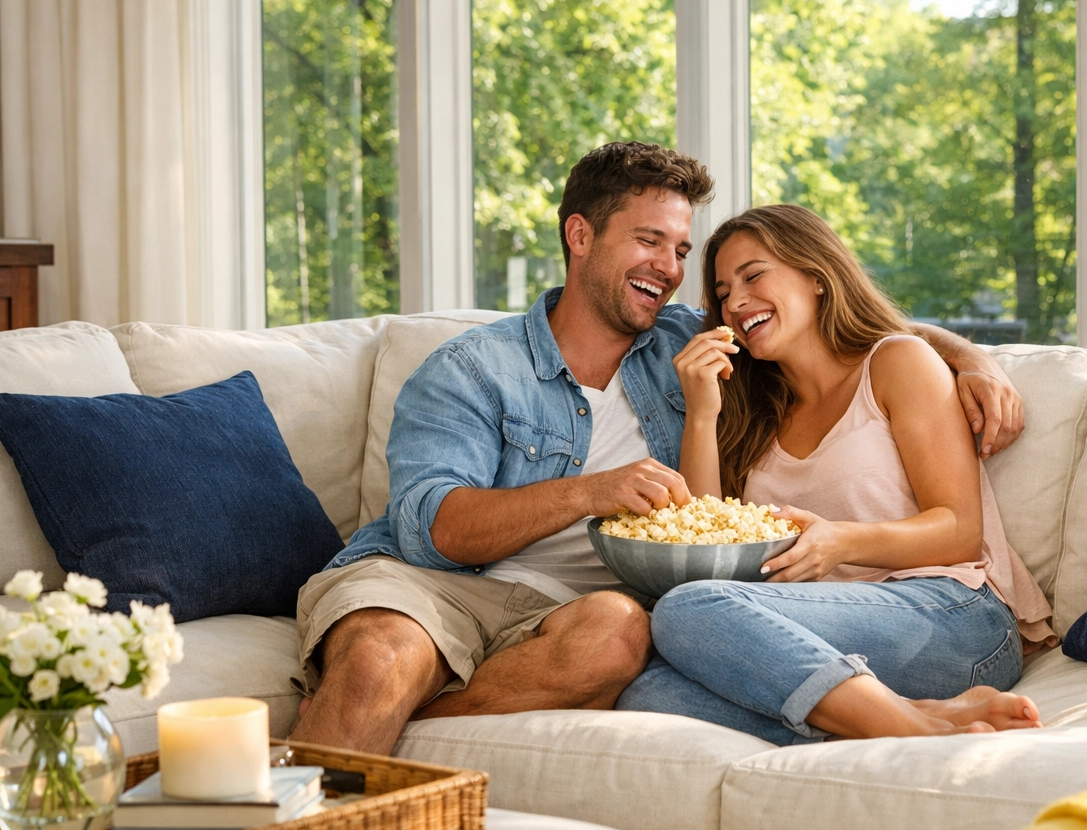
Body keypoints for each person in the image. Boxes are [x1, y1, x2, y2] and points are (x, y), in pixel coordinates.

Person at [290, 143, 1027, 756]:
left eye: (680, 250)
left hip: (589, 614)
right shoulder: (476, 368)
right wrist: (593, 490)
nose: (674, 270)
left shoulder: (688, 346)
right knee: (393, 660)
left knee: (648, 647)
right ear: (580, 236)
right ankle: (294, 829)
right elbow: (433, 529)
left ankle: (904, 723)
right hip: (443, 583)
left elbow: (855, 331)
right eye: (650, 242)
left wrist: (972, 356)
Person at [616, 204, 1057, 745]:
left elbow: (960, 530)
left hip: (949, 616)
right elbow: (707, 541)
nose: (736, 302)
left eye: (754, 276)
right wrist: (703, 410)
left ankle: (914, 731)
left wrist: (841, 543)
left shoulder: (897, 363)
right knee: (649, 697)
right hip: (819, 634)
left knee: (688, 610)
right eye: (724, 293)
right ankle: (912, 713)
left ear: (816, 277)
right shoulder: (755, 414)